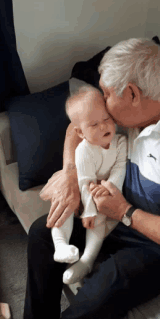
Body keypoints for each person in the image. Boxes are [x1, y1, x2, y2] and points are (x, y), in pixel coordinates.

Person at [17, 38, 160, 319]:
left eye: (106, 93)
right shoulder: (147, 101)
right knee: (42, 232)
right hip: (116, 210)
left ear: (132, 94)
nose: (103, 102)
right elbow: (75, 128)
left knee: (107, 284)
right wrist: (71, 174)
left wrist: (124, 211)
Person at [47, 85, 127, 284]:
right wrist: (88, 209)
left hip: (105, 189)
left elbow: (120, 169)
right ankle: (60, 245)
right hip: (85, 187)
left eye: (107, 119)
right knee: (65, 204)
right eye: (94, 124)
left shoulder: (121, 142)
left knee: (100, 219)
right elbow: (84, 183)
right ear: (80, 133)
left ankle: (87, 261)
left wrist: (108, 189)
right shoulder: (83, 150)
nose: (103, 127)